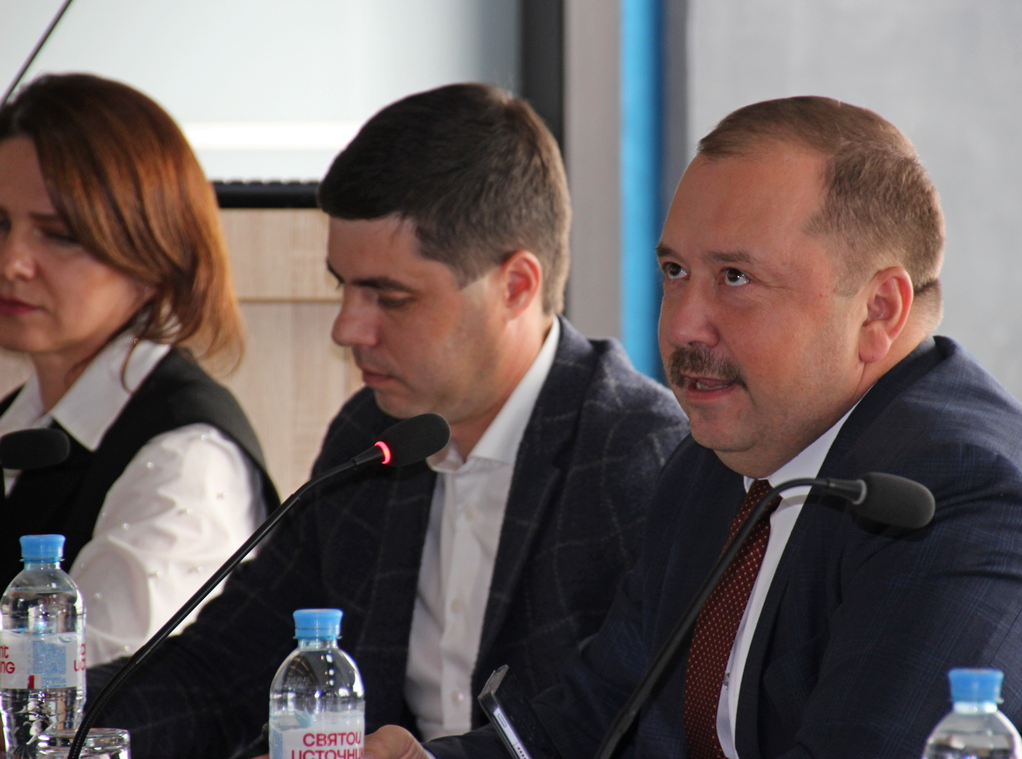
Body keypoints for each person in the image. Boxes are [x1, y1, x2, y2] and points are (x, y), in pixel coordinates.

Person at [363, 96, 1022, 759]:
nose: (682, 324)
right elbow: (587, 722)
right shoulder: (718, 463)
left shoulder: (960, 497)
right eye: (674, 271)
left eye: (736, 278)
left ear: (878, 311)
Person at [87, 83, 689, 758]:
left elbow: (628, 731)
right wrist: (46, 715)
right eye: (342, 285)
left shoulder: (641, 460)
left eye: (390, 298)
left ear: (516, 286)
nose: (347, 328)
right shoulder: (369, 438)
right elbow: (222, 672)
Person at [0, 73, 278, 664]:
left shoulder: (185, 457)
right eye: (0, 225)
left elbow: (83, 684)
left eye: (58, 236)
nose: (13, 261)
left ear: (152, 253)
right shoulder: (22, 420)